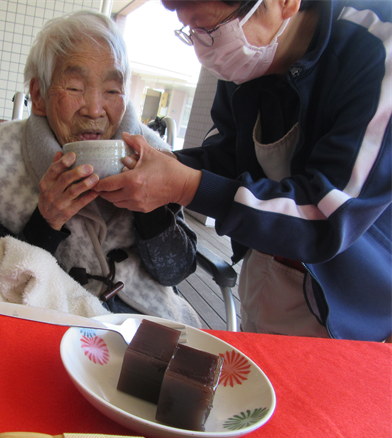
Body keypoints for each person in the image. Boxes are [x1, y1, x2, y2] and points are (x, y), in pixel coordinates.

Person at [94, 0, 392, 341]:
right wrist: (161, 164)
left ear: (285, 3)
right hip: (266, 274)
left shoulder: (377, 48)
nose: (204, 51)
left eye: (210, 31)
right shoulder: (245, 62)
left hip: (353, 309)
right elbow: (227, 155)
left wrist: (185, 186)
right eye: (190, 32)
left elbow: (327, 215)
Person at [0, 10, 201, 326]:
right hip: (49, 313)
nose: (95, 109)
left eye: (111, 90)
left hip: (139, 321)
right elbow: (9, 282)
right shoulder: (5, 156)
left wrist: (149, 208)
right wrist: (46, 220)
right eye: (74, 87)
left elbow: (176, 271)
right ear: (38, 96)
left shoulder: (154, 155)